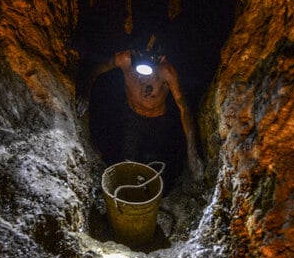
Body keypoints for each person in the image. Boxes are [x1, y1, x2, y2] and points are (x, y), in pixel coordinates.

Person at [77, 34, 205, 186]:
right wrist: (85, 93)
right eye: (138, 54)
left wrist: (192, 152)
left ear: (161, 58)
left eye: (150, 59)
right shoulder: (125, 59)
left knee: (156, 161)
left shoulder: (166, 71)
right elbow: (95, 70)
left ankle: (156, 192)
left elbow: (184, 108)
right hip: (132, 117)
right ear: (133, 51)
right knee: (128, 158)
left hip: (158, 121)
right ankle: (129, 191)